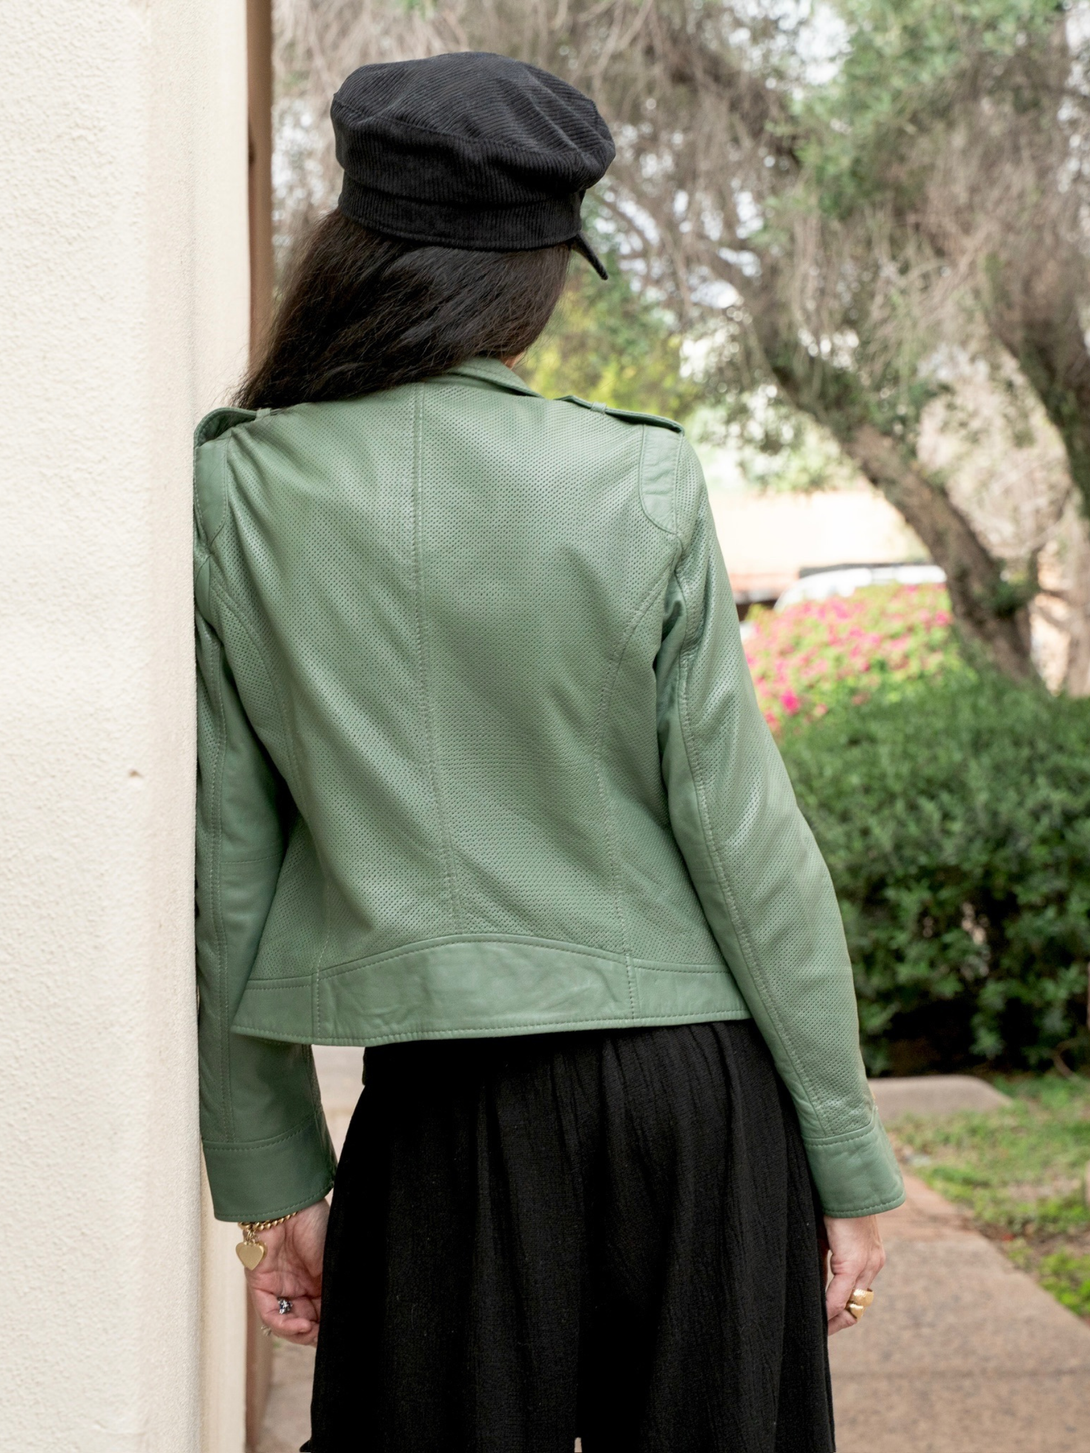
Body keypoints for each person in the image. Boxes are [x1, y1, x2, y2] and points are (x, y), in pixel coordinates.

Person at [194, 50, 904, 1453]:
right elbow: (744, 840)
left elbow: (232, 860)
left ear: (358, 249)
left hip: (449, 1116)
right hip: (695, 1100)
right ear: (528, 273)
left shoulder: (241, 486)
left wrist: (273, 1177)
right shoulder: (635, 474)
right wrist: (844, 1150)